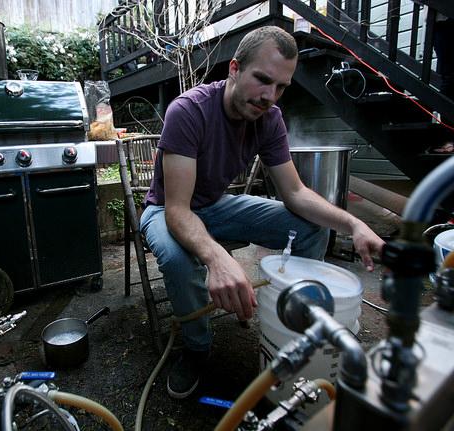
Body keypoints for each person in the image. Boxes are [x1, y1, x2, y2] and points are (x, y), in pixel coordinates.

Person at [139, 26, 385, 399]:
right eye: (262, 80)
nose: (269, 96)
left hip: (216, 206)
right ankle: (196, 348)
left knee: (310, 227)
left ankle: (294, 317)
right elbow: (177, 209)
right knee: (177, 257)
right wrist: (218, 258)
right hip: (167, 208)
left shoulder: (269, 118)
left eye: (281, 87)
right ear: (235, 68)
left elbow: (296, 193)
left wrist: (355, 223)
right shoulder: (188, 111)